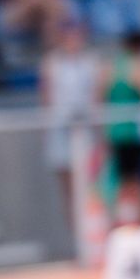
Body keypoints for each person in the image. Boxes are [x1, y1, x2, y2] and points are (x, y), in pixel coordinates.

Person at [40, 16, 101, 233]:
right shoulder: (52, 63)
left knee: (89, 183)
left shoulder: (91, 62)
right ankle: (75, 232)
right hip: (61, 127)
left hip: (85, 128)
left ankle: (92, 230)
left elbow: (96, 97)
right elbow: (47, 98)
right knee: (68, 186)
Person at [103, 30, 140, 223]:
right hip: (135, 133)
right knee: (138, 182)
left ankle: (121, 222)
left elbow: (100, 99)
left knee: (120, 182)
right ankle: (137, 224)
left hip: (115, 132)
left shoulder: (111, 69)